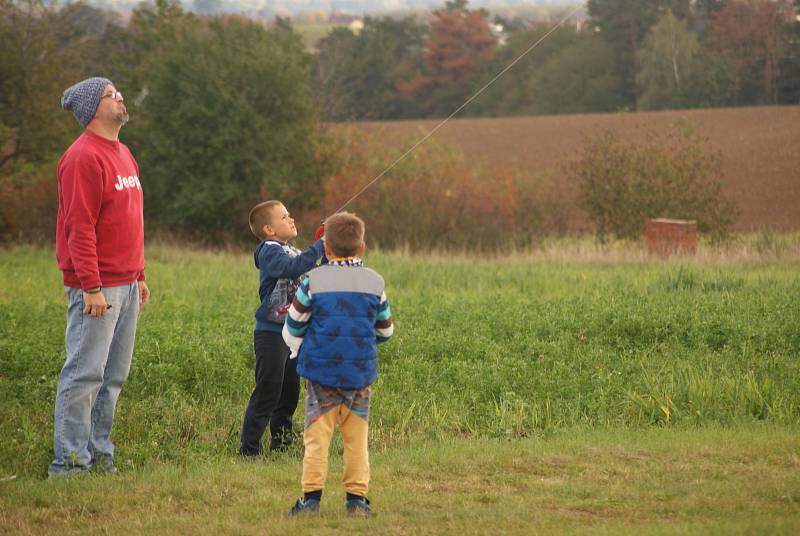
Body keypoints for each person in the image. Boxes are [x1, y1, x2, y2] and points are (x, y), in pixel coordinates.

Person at [50, 77, 150, 477]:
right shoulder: (82, 158)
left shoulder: (123, 153)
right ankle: (71, 463)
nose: (121, 96)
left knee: (113, 377)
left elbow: (130, 220)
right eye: (112, 94)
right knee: (85, 372)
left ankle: (99, 457)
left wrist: (138, 273)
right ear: (93, 108)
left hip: (125, 282)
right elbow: (80, 227)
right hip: (97, 286)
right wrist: (91, 286)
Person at [282, 212, 394, 516]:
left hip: (320, 378)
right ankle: (357, 500)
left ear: (325, 248)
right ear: (362, 248)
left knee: (316, 439)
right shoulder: (375, 282)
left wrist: (297, 349)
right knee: (357, 440)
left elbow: (293, 327)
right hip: (359, 377)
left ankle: (310, 501)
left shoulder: (312, 280)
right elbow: (386, 331)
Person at [239, 201, 325, 457]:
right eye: (284, 216)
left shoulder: (292, 251)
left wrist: (328, 248)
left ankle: (282, 447)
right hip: (270, 333)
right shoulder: (268, 251)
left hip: (293, 334)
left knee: (288, 393)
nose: (292, 219)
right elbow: (291, 268)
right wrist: (317, 247)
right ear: (269, 229)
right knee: (269, 389)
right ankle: (250, 450)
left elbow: (311, 271)